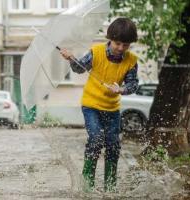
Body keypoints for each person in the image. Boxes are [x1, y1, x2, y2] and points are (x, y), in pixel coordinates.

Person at [60, 17, 139, 192]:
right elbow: (79, 68)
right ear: (110, 38)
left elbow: (133, 85)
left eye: (126, 45)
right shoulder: (96, 52)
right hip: (91, 105)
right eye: (118, 43)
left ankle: (110, 188)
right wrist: (71, 58)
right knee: (96, 139)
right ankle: (87, 186)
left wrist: (122, 89)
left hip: (112, 108)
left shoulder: (131, 60)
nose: (121, 48)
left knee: (113, 145)